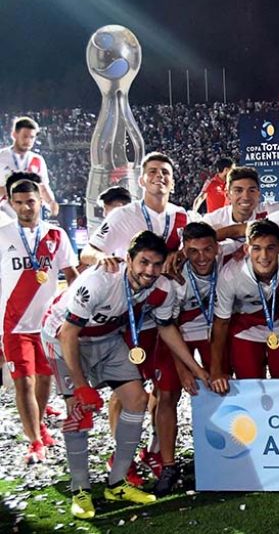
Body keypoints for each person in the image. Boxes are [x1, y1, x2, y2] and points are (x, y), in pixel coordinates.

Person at [41, 232, 208, 519]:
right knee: (78, 412)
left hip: (107, 338)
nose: (150, 270)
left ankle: (116, 482)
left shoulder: (163, 287)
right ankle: (80, 489)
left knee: (137, 400)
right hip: (63, 339)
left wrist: (197, 370)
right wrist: (80, 387)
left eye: (157, 264)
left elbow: (167, 329)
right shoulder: (100, 280)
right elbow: (69, 333)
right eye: (143, 262)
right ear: (128, 259)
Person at [79, 151, 189, 481]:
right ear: (141, 180)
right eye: (152, 171)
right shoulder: (124, 215)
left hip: (166, 315)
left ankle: (155, 452)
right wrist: (102, 259)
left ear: (172, 180)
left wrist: (179, 254)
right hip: (129, 319)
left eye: (165, 172)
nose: (159, 176)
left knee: (167, 391)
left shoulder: (181, 216)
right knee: (126, 391)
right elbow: (86, 252)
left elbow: (191, 250)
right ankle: (121, 457)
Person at [0, 178, 78, 463]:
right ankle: (34, 442)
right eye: (18, 203)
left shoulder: (56, 236)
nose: (25, 208)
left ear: (40, 202)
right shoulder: (2, 235)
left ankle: (40, 425)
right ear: (10, 202)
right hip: (13, 325)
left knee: (45, 381)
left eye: (30, 202)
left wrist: (74, 313)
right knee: (24, 383)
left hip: (48, 326)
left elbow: (72, 277)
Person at [162, 222, 225, 494]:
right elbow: (170, 326)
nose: (201, 257)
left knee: (222, 389)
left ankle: (220, 459)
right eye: (193, 251)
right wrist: (186, 370)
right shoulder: (173, 278)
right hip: (177, 338)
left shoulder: (228, 260)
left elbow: (243, 231)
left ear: (217, 248)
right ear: (184, 251)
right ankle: (168, 465)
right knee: (168, 395)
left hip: (213, 334)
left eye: (207, 249)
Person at [209, 219, 279, 392]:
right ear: (246, 249)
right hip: (246, 330)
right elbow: (221, 323)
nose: (264, 256)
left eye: (270, 248)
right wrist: (216, 371)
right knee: (250, 389)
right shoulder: (230, 276)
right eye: (256, 248)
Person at [0, 117, 58, 215]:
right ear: (14, 135)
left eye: (32, 137)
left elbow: (43, 187)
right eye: (25, 136)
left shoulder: (38, 160)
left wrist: (51, 203)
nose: (28, 141)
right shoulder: (1, 157)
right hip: (5, 215)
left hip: (31, 216)